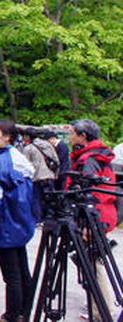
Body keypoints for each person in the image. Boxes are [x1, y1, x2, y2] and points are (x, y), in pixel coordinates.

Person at [0, 119, 36, 322]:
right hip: (20, 224)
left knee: (11, 276)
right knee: (22, 272)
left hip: (5, 226)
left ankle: (11, 316)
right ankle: (24, 312)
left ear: (7, 137)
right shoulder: (18, 158)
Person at [67, 119, 117, 320]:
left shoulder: (89, 160)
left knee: (94, 264)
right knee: (91, 261)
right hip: (101, 213)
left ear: (82, 136)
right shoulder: (97, 155)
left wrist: (89, 223)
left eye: (72, 133)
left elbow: (92, 193)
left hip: (95, 216)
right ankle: (97, 307)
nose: (69, 137)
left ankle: (101, 311)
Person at [22, 128, 58, 221]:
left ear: (27, 136)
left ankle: (38, 219)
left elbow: (25, 165)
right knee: (50, 198)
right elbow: (56, 160)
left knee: (36, 199)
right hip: (50, 175)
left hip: (37, 177)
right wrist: (55, 173)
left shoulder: (28, 148)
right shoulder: (47, 144)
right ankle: (50, 217)